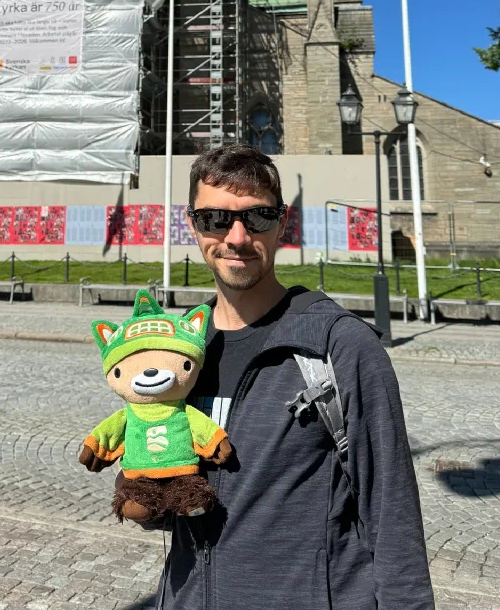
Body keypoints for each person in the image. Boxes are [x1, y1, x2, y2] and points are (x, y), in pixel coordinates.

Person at [119, 143, 434, 610]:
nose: (238, 237)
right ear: (193, 225)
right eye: (215, 219)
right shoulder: (178, 351)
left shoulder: (339, 346)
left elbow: (391, 512)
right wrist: (149, 491)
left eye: (259, 217)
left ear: (282, 223)